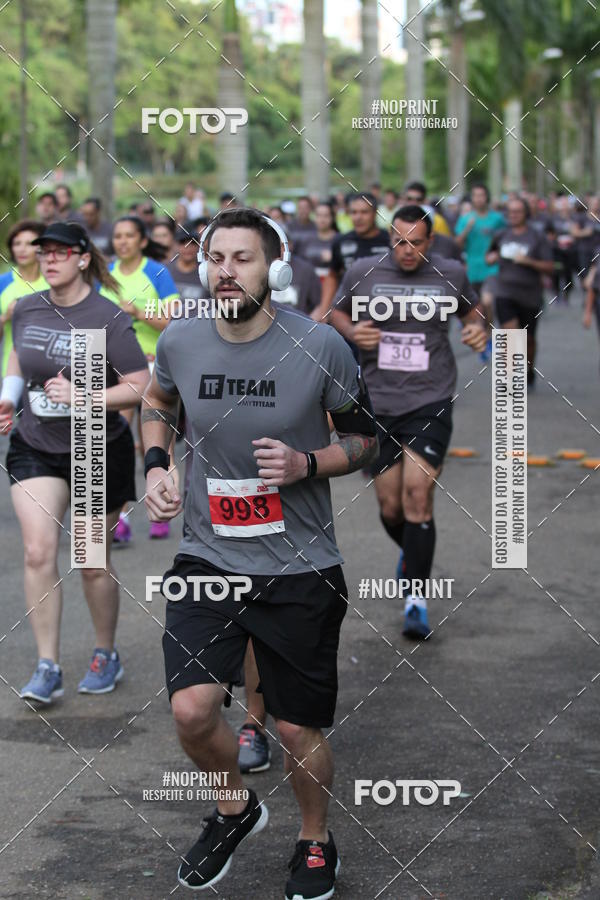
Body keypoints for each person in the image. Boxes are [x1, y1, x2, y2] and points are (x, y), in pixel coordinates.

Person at [141, 207, 378, 897]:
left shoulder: (318, 347)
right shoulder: (181, 342)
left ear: (272, 269)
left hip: (298, 566)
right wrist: (157, 464)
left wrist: (309, 463)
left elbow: (368, 439)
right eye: (216, 257)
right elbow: (157, 402)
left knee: (295, 726)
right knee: (191, 710)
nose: (225, 271)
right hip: (208, 558)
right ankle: (234, 807)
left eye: (242, 258)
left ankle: (312, 839)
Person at [0, 222, 149, 705]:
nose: (50, 259)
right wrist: (9, 399)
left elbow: (142, 384)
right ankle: (48, 665)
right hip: (35, 443)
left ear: (84, 258)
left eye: (62, 252)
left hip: (94, 445)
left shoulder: (105, 316)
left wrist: (86, 396)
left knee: (90, 562)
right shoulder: (25, 307)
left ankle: (106, 652)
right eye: (44, 252)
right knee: (38, 553)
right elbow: (20, 359)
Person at [330, 205, 487, 638]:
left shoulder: (450, 273)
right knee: (391, 506)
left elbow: (473, 313)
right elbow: (335, 313)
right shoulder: (363, 271)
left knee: (418, 496)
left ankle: (416, 599)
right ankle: (412, 557)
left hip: (430, 398)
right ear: (389, 239)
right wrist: (351, 330)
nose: (406, 250)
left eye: (416, 242)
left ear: (429, 242)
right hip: (377, 402)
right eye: (399, 241)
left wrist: (478, 330)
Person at [100, 215, 178, 540]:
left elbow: (175, 320)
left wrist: (139, 314)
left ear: (142, 240)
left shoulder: (157, 272)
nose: (122, 241)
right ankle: (121, 518)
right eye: (117, 236)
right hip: (116, 371)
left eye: (129, 235)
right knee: (117, 440)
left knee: (157, 443)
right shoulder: (104, 275)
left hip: (155, 368)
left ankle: (163, 508)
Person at [485, 196, 554, 387]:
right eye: (510, 211)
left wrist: (529, 261)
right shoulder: (501, 235)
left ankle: (529, 369)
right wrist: (492, 257)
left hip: (530, 295)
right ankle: (509, 379)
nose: (513, 215)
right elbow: (489, 255)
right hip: (505, 291)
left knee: (529, 340)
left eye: (518, 212)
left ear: (526, 214)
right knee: (510, 334)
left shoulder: (537, 237)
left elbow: (550, 267)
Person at [319, 192, 390, 320]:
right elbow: (332, 276)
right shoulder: (341, 241)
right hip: (348, 313)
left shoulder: (390, 241)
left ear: (375, 213)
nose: (358, 217)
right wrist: (324, 310)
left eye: (364, 212)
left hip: (384, 310)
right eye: (354, 212)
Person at [0, 220, 48, 377]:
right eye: (17, 243)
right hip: (12, 374)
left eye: (29, 243)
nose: (22, 249)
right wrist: (5, 317)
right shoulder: (3, 283)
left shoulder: (54, 281)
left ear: (41, 247)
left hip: (52, 373)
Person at [293, 200, 339, 282]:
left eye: (326, 216)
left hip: (331, 283)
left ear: (332, 217)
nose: (322, 219)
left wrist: (334, 259)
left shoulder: (339, 239)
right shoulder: (306, 239)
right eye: (319, 215)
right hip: (309, 282)